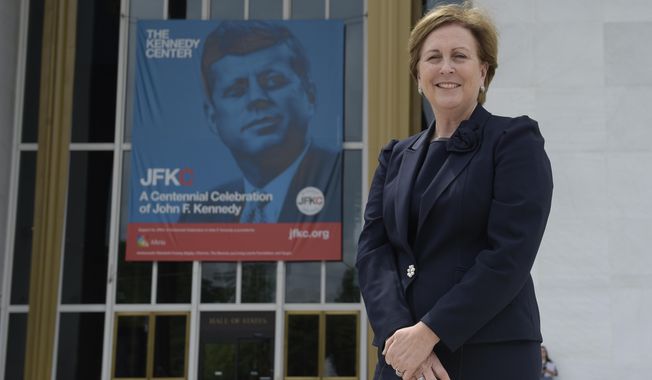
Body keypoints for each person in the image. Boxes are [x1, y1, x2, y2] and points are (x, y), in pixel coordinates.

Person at [356, 3, 553, 380]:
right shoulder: (395, 156)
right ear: (418, 75)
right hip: (403, 359)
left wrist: (430, 331)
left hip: (490, 354)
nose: (445, 67)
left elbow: (509, 254)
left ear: (483, 72)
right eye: (433, 57)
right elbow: (373, 254)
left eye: (459, 56)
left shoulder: (513, 141)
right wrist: (401, 336)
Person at [182, 21, 341, 223]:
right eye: (236, 91)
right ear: (213, 118)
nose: (257, 98)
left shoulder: (347, 183)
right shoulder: (199, 215)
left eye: (273, 81)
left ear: (309, 96)